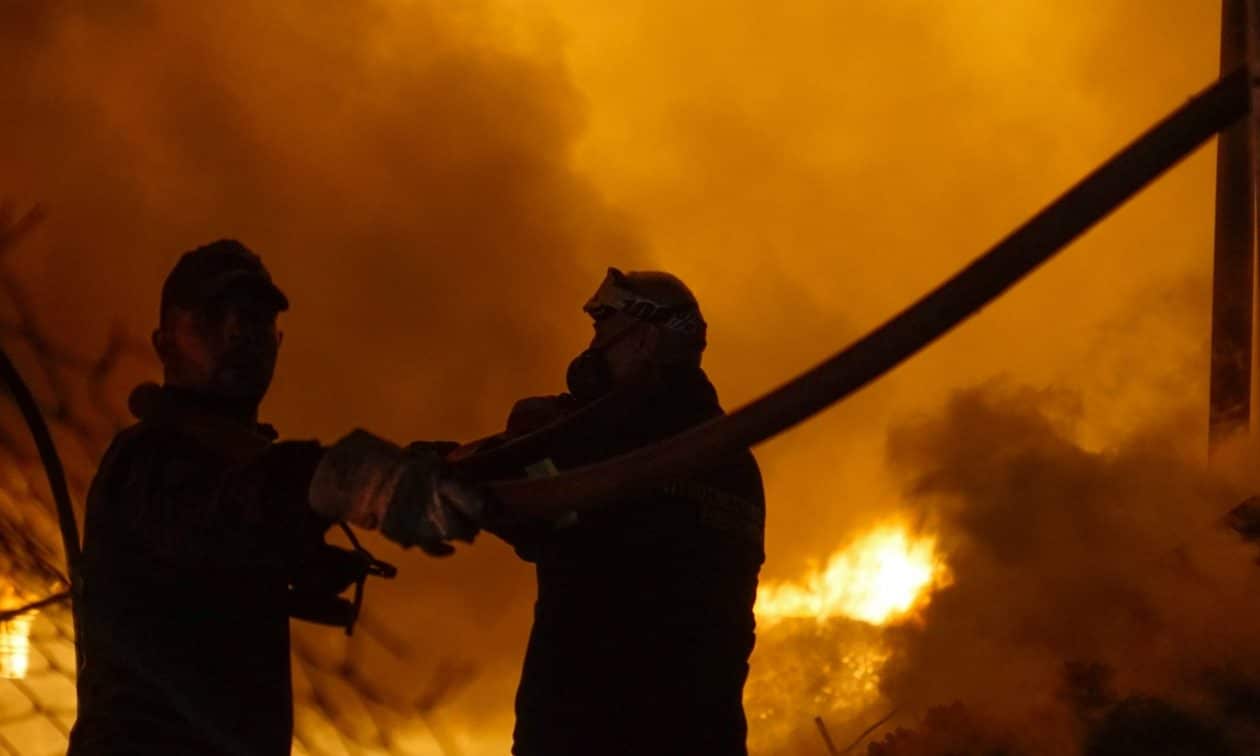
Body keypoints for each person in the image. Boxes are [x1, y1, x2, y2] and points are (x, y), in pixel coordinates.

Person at [68, 240, 476, 755]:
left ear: (279, 341)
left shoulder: (231, 460)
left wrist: (290, 558)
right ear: (164, 343)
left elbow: (234, 521)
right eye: (212, 316)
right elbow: (229, 509)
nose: (238, 330)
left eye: (256, 318)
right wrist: (343, 480)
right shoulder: (148, 458)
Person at [487, 267, 766, 756]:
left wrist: (431, 470)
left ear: (644, 341)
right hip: (707, 738)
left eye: (603, 331)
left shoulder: (606, 438)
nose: (593, 349)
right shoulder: (734, 462)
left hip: (592, 735)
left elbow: (506, 498)